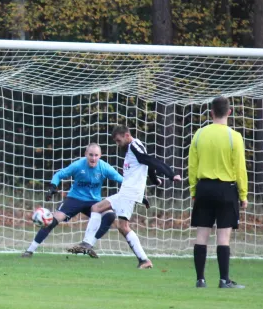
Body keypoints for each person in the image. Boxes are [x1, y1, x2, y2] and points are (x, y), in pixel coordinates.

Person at [68, 126, 181, 268]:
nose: (117, 143)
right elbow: (147, 164)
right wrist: (154, 180)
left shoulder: (134, 146)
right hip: (126, 192)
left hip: (129, 193)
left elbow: (151, 160)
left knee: (123, 226)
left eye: (118, 140)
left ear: (127, 136)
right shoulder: (133, 148)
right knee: (96, 208)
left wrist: (170, 174)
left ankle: (143, 259)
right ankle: (88, 244)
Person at [22, 143, 122, 257]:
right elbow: (59, 174)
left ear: (100, 156)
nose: (93, 158)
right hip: (75, 198)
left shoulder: (105, 167)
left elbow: (121, 180)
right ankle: (30, 250)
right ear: (85, 154)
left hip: (94, 202)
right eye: (90, 155)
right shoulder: (78, 165)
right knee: (53, 220)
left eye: (96, 155)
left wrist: (135, 192)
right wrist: (52, 187)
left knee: (110, 216)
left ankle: (88, 245)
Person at [188, 96, 248, 289]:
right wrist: (243, 194)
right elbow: (240, 168)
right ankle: (224, 280)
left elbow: (192, 165)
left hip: (204, 188)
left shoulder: (199, 134)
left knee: (201, 235)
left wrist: (193, 190)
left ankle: (200, 279)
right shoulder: (234, 136)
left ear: (211, 113)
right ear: (229, 112)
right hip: (226, 189)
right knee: (223, 237)